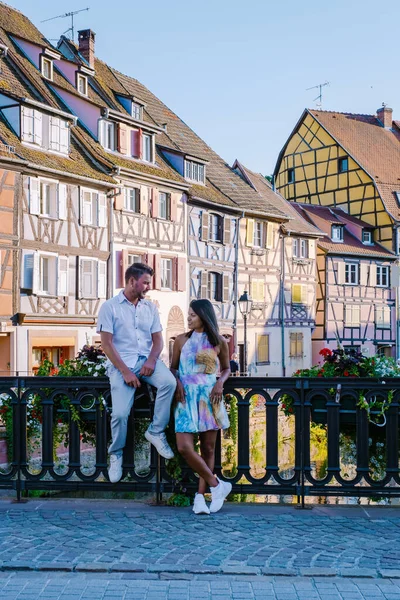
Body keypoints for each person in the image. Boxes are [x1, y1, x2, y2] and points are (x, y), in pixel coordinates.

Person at [97, 262, 176, 483]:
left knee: (169, 383)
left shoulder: (149, 307)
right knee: (120, 413)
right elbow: (107, 344)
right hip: (121, 365)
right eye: (146, 282)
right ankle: (116, 454)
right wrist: (125, 372)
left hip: (146, 362)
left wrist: (151, 361)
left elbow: (158, 340)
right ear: (132, 281)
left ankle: (156, 431)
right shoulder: (110, 307)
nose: (149, 287)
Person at [170, 299, 232, 514]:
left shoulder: (220, 342)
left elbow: (226, 368)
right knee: (184, 447)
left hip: (208, 396)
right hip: (185, 396)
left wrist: (220, 383)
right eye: (189, 315)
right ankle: (217, 486)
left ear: (204, 316)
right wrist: (177, 381)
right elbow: (173, 368)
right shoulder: (180, 340)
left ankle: (200, 497)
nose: (188, 318)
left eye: (193, 315)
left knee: (208, 448)